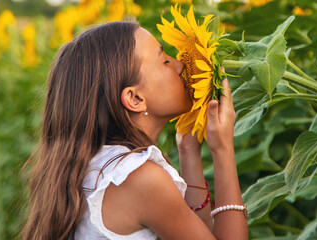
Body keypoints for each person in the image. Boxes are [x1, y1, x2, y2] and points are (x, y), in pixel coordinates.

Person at [21, 21, 248, 240]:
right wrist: (222, 148)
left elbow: (198, 232)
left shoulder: (94, 168)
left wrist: (188, 150)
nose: (180, 64)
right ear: (135, 98)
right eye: (164, 61)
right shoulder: (140, 179)